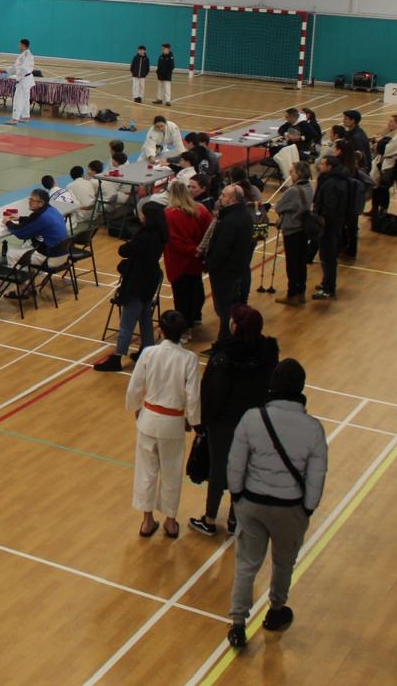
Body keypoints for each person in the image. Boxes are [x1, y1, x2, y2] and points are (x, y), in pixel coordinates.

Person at [225, 359, 328, 651]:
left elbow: (236, 463)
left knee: (246, 565)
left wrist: (237, 495)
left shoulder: (252, 418)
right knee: (284, 562)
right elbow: (317, 476)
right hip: (290, 508)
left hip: (252, 503)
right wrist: (307, 509)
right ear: (300, 388)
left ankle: (237, 623)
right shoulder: (313, 429)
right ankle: (276, 610)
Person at [190, 304, 279, 538]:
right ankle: (233, 517)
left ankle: (210, 518)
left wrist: (202, 422)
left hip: (224, 422)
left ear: (236, 326)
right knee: (244, 467)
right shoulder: (268, 352)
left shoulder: (224, 356)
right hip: (254, 421)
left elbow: (212, 393)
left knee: (219, 468)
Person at [124, 310, 199, 538]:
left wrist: (136, 408)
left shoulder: (149, 353)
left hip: (149, 419)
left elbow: (135, 386)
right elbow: (193, 396)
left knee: (146, 471)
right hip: (173, 423)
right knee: (172, 472)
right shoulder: (189, 359)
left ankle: (147, 521)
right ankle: (171, 522)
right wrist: (193, 420)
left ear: (161, 330)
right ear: (182, 333)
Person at [94, 202, 166, 372]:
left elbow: (125, 250)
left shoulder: (145, 236)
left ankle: (118, 357)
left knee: (127, 322)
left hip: (137, 279)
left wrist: (128, 245)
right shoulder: (161, 232)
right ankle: (147, 350)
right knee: (145, 317)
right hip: (150, 277)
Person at [204, 184, 256, 337]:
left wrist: (210, 264)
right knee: (230, 306)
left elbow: (222, 249)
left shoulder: (230, 220)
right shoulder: (245, 215)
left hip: (225, 272)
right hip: (237, 268)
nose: (220, 197)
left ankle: (225, 339)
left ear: (232, 199)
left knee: (224, 309)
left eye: (224, 195)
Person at [310, 155, 353, 301]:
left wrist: (320, 222)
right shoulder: (342, 179)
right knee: (329, 257)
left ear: (329, 167)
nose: (319, 166)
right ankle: (327, 283)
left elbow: (329, 208)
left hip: (329, 227)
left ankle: (328, 288)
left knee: (327, 257)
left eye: (322, 164)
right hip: (337, 224)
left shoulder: (331, 184)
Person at [273, 161, 316, 305]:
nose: (290, 174)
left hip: (292, 229)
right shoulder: (309, 187)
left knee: (291, 264)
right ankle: (301, 292)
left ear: (298, 174)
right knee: (301, 263)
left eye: (292, 171)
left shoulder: (293, 191)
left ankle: (292, 293)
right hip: (303, 228)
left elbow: (278, 207)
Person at [2, 188, 69, 271]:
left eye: (32, 200)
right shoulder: (51, 210)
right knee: (27, 245)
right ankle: (28, 275)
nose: (29, 202)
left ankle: (22, 278)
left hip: (51, 258)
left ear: (41, 203)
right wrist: (20, 218)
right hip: (63, 254)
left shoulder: (41, 216)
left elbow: (21, 233)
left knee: (11, 254)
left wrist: (7, 223)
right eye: (29, 199)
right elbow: (33, 222)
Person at [9, 38, 36, 123]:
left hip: (23, 79)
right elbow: (16, 67)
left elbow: (23, 68)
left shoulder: (26, 55)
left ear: (23, 45)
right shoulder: (25, 55)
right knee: (25, 98)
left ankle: (15, 118)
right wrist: (6, 71)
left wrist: (17, 77)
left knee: (18, 98)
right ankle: (25, 117)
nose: (18, 46)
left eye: (19, 45)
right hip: (26, 79)